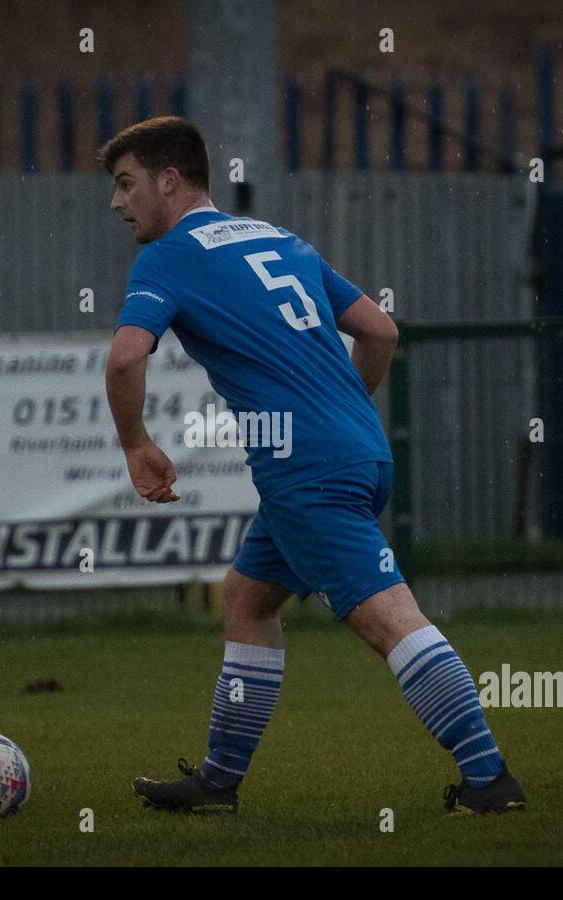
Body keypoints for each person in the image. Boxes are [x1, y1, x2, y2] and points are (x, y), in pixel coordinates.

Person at [99, 116, 527, 816]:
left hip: (307, 473)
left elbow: (123, 357)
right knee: (248, 597)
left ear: (169, 181)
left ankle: (489, 781)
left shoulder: (167, 256)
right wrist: (337, 414)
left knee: (390, 619)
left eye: (125, 184)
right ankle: (218, 783)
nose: (117, 203)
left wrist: (135, 444)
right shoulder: (276, 237)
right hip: (358, 450)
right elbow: (382, 331)